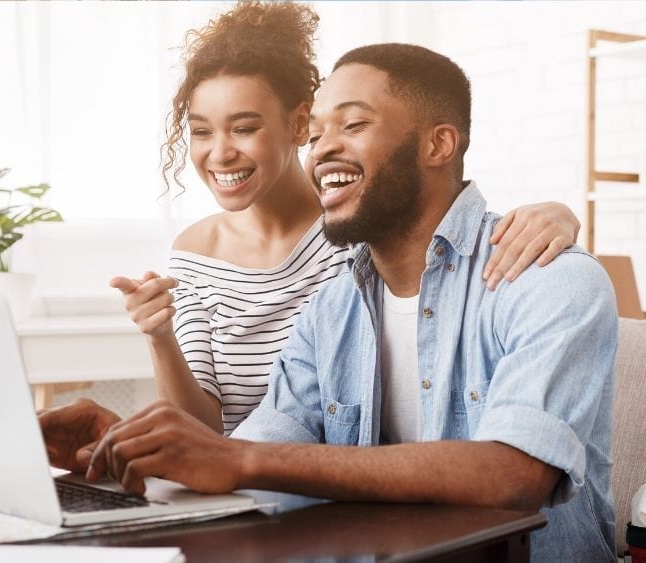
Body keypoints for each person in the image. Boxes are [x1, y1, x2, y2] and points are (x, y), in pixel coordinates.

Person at [42, 43, 618, 561]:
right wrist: (129, 449)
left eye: (354, 124)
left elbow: (511, 475)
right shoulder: (333, 307)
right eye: (315, 133)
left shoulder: (547, 279)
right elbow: (254, 453)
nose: (322, 150)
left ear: (438, 143)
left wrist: (240, 461)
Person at [105, 1, 581, 437]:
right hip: (264, 483)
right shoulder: (227, 266)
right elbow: (228, 435)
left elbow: (442, 214)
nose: (221, 152)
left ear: (294, 126)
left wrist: (558, 215)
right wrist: (156, 350)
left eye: (245, 127)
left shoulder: (362, 227)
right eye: (202, 131)